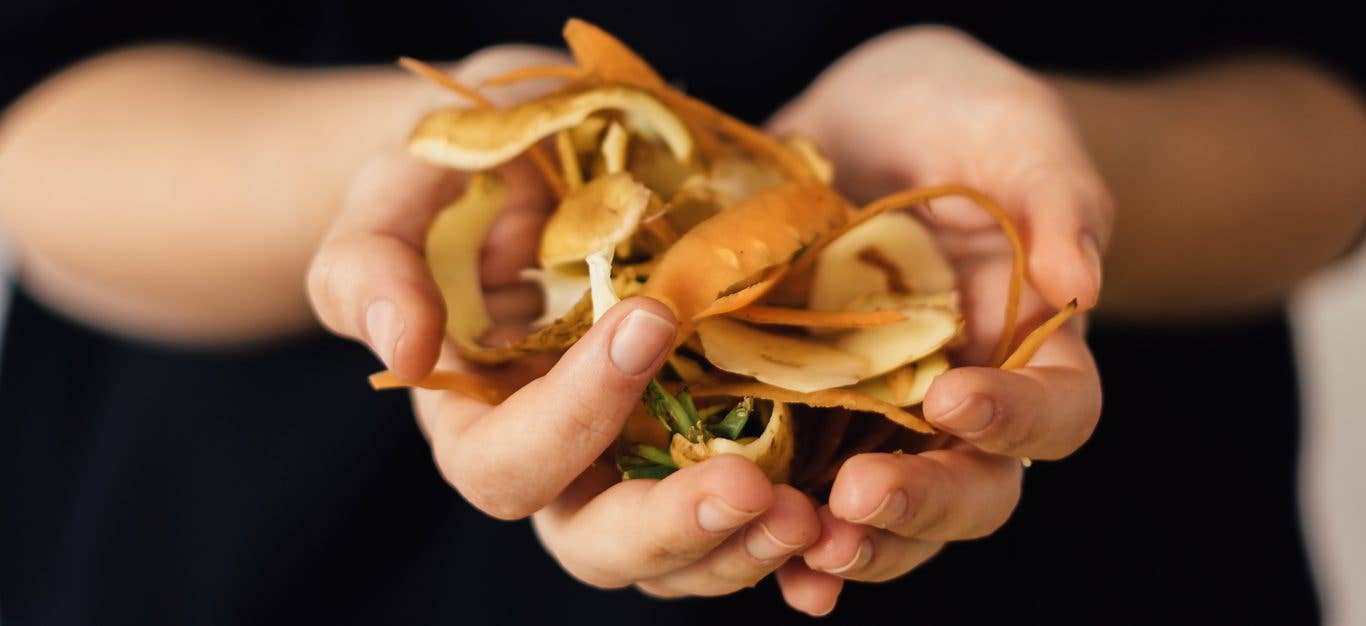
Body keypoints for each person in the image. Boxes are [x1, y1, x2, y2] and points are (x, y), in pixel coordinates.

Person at [0, 3, 1361, 624]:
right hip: (252, 560)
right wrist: (450, 162)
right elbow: (41, 124)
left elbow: (1330, 116)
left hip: (1105, 560)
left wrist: (1059, 167)